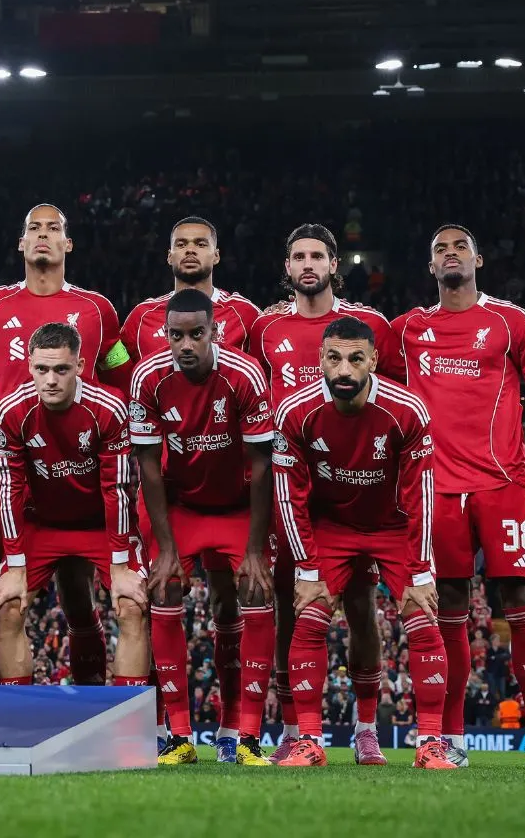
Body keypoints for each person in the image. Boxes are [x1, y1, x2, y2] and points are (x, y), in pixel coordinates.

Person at [382, 224, 525, 771]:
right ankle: (452, 739)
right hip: (435, 491)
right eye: (439, 249)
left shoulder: (511, 322)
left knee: (521, 607)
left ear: (478, 260)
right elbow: (355, 353)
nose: (449, 254)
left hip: (504, 485)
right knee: (451, 613)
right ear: (431, 268)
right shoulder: (409, 329)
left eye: (459, 246)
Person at [269, 317, 455, 770]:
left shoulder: (406, 410)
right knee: (309, 616)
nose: (345, 370)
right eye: (334, 359)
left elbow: (421, 496)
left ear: (373, 360)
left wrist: (422, 570)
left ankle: (430, 744)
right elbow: (288, 497)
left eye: (356, 359)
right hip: (331, 528)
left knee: (422, 615)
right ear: (321, 361)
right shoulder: (295, 413)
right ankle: (309, 742)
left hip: (392, 527)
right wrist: (308, 571)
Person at [246, 224, 394, 761]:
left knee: (360, 609)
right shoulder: (265, 329)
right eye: (298, 257)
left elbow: (392, 405)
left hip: (358, 493)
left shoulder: (369, 327)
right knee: (291, 609)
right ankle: (294, 732)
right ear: (286, 267)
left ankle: (366, 729)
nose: (308, 265)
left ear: (335, 265)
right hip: (295, 494)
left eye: (318, 256)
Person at [131, 288, 278, 766]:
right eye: (177, 335)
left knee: (255, 592)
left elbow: (263, 465)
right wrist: (167, 548)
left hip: (238, 505)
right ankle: (179, 735)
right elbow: (149, 468)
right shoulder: (148, 378)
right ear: (165, 335)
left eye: (197, 334)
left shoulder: (245, 375)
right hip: (183, 506)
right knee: (165, 587)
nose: (186, 344)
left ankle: (248, 736)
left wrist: (255, 550)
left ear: (215, 332)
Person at [0, 322, 150, 689]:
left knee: (132, 605)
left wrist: (121, 564)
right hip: (42, 525)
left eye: (61, 369)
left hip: (100, 526)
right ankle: (19, 723)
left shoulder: (107, 408)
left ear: (80, 365)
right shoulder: (11, 411)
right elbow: (8, 486)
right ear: (29, 365)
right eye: (42, 369)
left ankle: (123, 728)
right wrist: (14, 565)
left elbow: (118, 488)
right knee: (8, 608)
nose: (50, 380)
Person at [0, 204, 124, 404]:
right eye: (34, 228)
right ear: (21, 243)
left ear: (68, 244)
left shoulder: (99, 308)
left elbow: (121, 378)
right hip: (8, 434)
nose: (43, 234)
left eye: (53, 228)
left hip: (77, 433)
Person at [117, 216, 262, 380]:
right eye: (181, 244)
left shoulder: (245, 313)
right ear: (169, 256)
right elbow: (120, 376)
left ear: (216, 255)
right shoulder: (141, 317)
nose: (190, 250)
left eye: (200, 244)